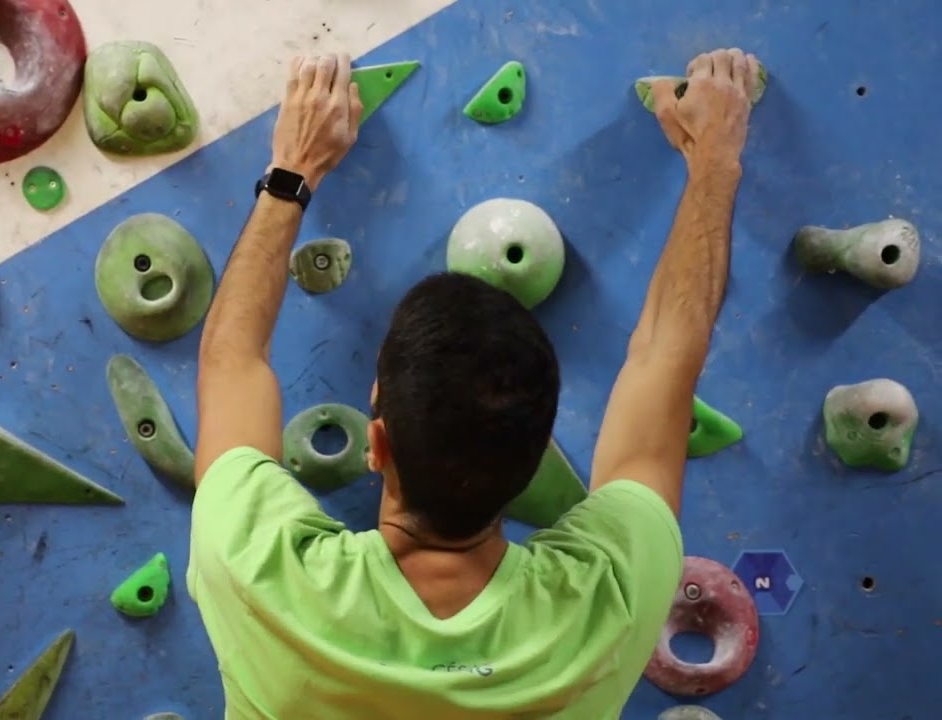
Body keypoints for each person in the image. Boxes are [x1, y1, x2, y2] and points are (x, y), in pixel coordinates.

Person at [187, 48, 760, 719]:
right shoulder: (611, 595)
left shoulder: (254, 565)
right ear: (535, 463)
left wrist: (294, 169)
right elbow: (665, 359)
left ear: (376, 444)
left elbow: (232, 361)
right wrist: (715, 163)